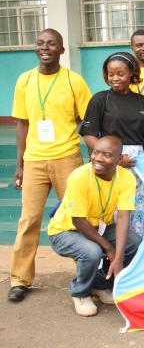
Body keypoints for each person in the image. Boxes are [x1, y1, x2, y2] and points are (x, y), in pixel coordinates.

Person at [8, 29, 92, 302]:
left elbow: (87, 120)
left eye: (52, 44)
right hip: (34, 159)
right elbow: (22, 123)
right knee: (29, 220)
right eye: (41, 43)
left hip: (67, 157)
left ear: (62, 50)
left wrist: (91, 160)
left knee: (75, 218)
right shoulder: (25, 81)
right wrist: (19, 163)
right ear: (35, 48)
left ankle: (84, 277)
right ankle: (20, 279)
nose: (45, 48)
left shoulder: (73, 81)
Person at [47, 136, 141, 316]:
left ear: (119, 159)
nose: (97, 158)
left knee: (134, 242)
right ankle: (80, 292)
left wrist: (118, 257)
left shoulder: (126, 178)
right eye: (95, 152)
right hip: (65, 230)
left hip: (98, 228)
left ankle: (100, 284)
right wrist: (108, 248)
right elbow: (77, 220)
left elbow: (123, 217)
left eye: (106, 155)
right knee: (92, 251)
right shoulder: (79, 176)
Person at [79, 52, 144, 237]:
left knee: (136, 210)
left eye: (120, 74)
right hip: (109, 164)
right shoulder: (100, 99)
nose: (115, 78)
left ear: (131, 73)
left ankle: (134, 256)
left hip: (137, 165)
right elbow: (88, 135)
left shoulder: (142, 102)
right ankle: (109, 258)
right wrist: (112, 159)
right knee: (111, 212)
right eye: (110, 74)